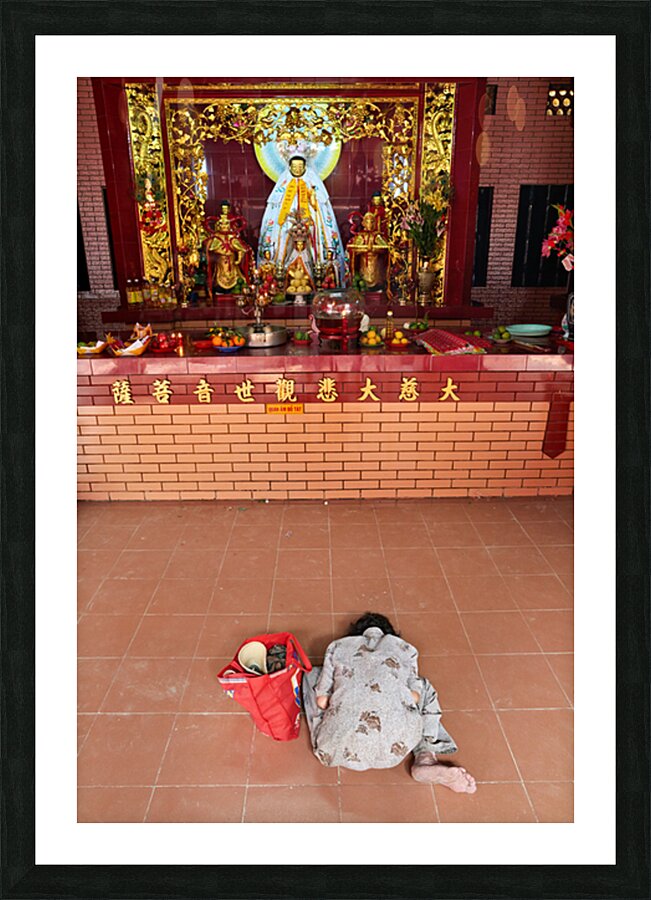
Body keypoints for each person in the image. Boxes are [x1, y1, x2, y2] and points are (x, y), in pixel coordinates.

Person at [302, 612, 477, 792]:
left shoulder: (337, 647)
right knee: (423, 688)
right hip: (397, 748)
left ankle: (339, 726)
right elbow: (415, 697)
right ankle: (424, 755)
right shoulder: (406, 650)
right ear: (390, 634)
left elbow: (322, 702)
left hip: (335, 751)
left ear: (355, 634)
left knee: (311, 676)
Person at [257, 152, 345, 282]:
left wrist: (313, 198)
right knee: (280, 237)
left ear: (305, 167)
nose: (297, 169)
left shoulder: (312, 182)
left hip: (309, 218)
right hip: (287, 219)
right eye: (294, 166)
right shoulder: (283, 184)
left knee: (317, 238)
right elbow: (275, 205)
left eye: (300, 167)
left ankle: (318, 275)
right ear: (289, 167)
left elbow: (320, 202)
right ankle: (278, 275)